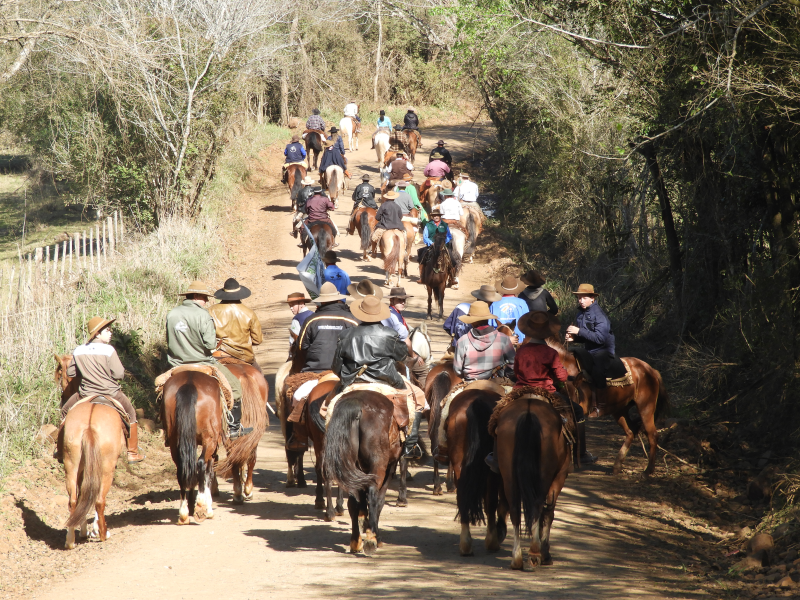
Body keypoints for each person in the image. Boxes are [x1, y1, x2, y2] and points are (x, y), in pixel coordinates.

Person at [332, 295, 426, 458]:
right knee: (419, 396)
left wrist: (347, 377)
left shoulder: (345, 335)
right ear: (379, 313)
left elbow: (335, 367)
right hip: (387, 381)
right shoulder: (389, 334)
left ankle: (330, 439)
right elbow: (402, 356)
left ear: (361, 313)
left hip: (353, 382)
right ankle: (410, 445)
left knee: (326, 408)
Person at [165, 281, 249, 439]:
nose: (206, 301)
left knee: (161, 390)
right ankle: (234, 427)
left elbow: (169, 340)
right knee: (236, 388)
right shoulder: (203, 315)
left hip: (176, 364)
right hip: (203, 362)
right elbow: (210, 345)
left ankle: (165, 426)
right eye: (204, 297)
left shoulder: (172, 314)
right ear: (197, 296)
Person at [56, 316, 145, 463]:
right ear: (97, 333)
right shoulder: (109, 350)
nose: (110, 333)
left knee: (65, 412)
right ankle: (132, 452)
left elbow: (70, 373)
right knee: (131, 413)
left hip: (85, 393)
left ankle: (60, 450)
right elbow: (119, 374)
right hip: (111, 393)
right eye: (107, 330)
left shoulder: (79, 350)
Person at [514, 311, 595, 463]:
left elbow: (516, 372)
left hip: (521, 391)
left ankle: (496, 455)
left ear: (529, 330)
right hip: (545, 392)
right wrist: (562, 372)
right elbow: (562, 377)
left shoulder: (521, 350)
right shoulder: (550, 352)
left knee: (498, 414)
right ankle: (581, 453)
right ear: (547, 331)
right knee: (577, 411)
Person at [289, 282, 359, 450]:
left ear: (321, 301)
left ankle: (299, 437)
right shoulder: (352, 319)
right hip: (346, 374)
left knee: (297, 397)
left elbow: (301, 347)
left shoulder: (311, 320)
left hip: (316, 374)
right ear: (338, 299)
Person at [565, 283, 616, 391]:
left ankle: (602, 398)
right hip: (589, 350)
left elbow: (600, 338)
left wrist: (578, 331)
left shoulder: (599, 315)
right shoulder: (580, 314)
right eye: (579, 298)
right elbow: (586, 337)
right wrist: (574, 338)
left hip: (603, 350)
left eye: (584, 298)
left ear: (592, 298)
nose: (581, 301)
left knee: (597, 372)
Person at [209, 278, 264, 374]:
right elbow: (257, 340)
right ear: (240, 294)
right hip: (243, 356)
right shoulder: (249, 313)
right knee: (259, 375)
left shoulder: (210, 311)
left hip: (218, 354)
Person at [453, 301, 515, 381]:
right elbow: (513, 363)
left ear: (472, 322)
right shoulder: (503, 338)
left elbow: (457, 370)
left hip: (471, 382)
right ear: (488, 319)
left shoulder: (462, 341)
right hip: (497, 381)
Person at [381, 287, 429, 388]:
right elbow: (406, 341)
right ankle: (423, 394)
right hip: (397, 353)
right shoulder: (394, 315)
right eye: (399, 300)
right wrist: (414, 356)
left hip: (384, 350)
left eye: (404, 300)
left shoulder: (391, 312)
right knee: (423, 370)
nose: (403, 303)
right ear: (391, 300)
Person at [442, 285, 498, 351]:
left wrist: (456, 337)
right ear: (490, 302)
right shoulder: (485, 316)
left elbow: (447, 326)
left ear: (477, 297)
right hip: (472, 350)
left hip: (456, 347)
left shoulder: (460, 307)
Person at [489, 275, 529, 343]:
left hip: (499, 341)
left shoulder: (494, 304)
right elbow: (527, 322)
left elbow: (491, 325)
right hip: (519, 340)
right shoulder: (522, 303)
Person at [287, 292, 314, 360]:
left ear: (301, 303)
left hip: (303, 354)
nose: (291, 308)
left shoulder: (297, 319)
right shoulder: (314, 315)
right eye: (290, 306)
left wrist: (291, 356)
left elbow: (293, 340)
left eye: (293, 305)